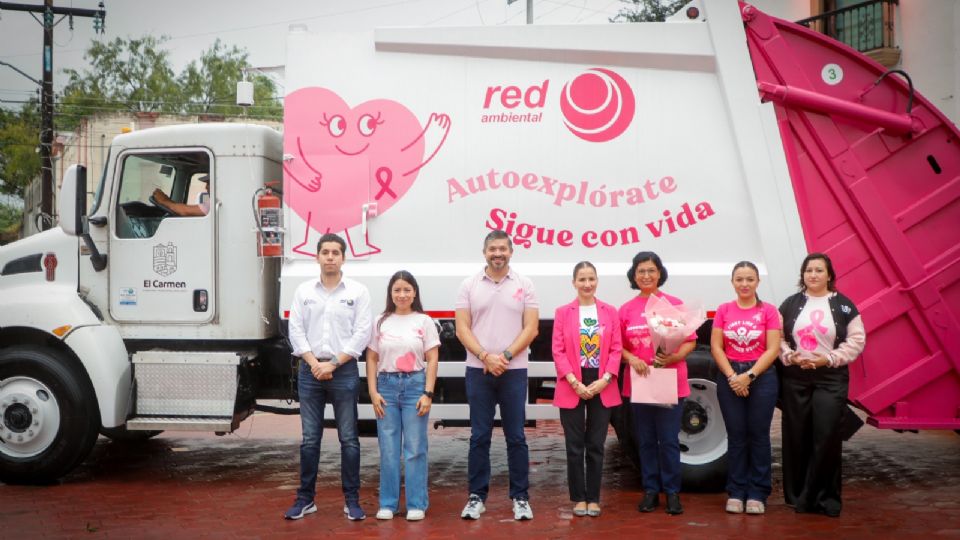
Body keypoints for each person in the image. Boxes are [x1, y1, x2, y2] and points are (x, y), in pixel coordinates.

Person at [284, 233, 372, 521]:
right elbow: (295, 329)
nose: (331, 257)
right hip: (310, 371)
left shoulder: (357, 292)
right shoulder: (303, 291)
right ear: (317, 257)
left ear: (343, 257)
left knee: (349, 439)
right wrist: (313, 363)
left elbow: (362, 333)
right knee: (310, 439)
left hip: (343, 371)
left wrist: (333, 363)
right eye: (325, 252)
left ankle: (352, 501)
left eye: (336, 252)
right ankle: (305, 499)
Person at [455, 229, 539, 521]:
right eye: (492, 249)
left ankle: (520, 497)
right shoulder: (469, 285)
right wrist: (484, 357)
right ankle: (476, 496)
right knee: (479, 436)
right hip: (478, 370)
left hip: (513, 371)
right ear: (484, 252)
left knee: (516, 437)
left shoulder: (525, 285)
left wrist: (503, 357)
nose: (498, 254)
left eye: (503, 249)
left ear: (511, 252)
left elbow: (531, 328)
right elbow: (462, 327)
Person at [778, 252, 865, 518]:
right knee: (796, 435)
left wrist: (827, 359)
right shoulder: (790, 304)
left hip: (830, 378)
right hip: (796, 376)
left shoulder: (845, 306)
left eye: (819, 270)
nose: (813, 275)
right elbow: (778, 338)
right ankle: (796, 496)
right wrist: (788, 355)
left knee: (826, 435)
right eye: (808, 271)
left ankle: (825, 498)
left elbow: (857, 341)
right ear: (802, 275)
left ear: (829, 275)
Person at [618, 251, 695, 515]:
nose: (646, 276)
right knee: (646, 440)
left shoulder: (673, 304)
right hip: (640, 380)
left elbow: (689, 339)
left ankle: (672, 493)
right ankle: (650, 490)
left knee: (669, 439)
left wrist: (674, 356)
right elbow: (618, 346)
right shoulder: (626, 309)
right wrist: (632, 359)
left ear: (660, 273)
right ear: (634, 275)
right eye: (641, 271)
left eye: (651, 270)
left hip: (670, 379)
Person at [366, 271, 440, 522]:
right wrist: (373, 392)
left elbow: (432, 359)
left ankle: (416, 503)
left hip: (415, 386)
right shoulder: (380, 321)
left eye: (407, 290)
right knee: (388, 448)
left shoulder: (424, 321)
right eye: (397, 290)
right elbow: (372, 358)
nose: (402, 294)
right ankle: (388, 503)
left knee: (416, 447)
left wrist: (427, 393)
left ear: (415, 293)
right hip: (386, 387)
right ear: (390, 293)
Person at [552, 261, 622, 518]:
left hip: (602, 382)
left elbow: (616, 348)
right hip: (572, 382)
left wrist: (605, 379)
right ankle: (578, 498)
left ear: (597, 281)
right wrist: (573, 381)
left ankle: (593, 497)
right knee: (574, 445)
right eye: (581, 279)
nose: (587, 284)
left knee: (596, 444)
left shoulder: (609, 311)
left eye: (591, 278)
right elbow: (557, 350)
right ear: (574, 282)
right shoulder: (563, 312)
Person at [710, 261, 781, 515]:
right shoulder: (724, 309)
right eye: (739, 279)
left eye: (750, 279)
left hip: (761, 376)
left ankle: (758, 492)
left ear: (758, 282)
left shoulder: (769, 311)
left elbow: (773, 348)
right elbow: (716, 347)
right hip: (730, 374)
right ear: (732, 282)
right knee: (737, 436)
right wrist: (732, 376)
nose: (744, 284)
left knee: (759, 436)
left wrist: (748, 376)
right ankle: (737, 491)